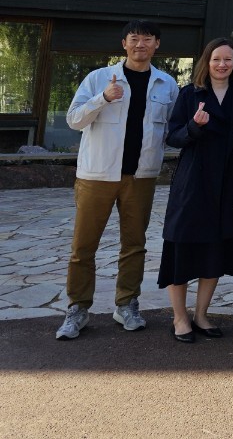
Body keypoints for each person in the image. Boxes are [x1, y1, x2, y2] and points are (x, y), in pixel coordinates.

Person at [56, 20, 179, 340]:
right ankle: (78, 309)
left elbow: (172, 129)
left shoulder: (166, 84)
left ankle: (126, 304)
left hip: (141, 176)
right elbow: (74, 119)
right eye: (134, 39)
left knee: (134, 245)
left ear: (157, 45)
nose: (141, 44)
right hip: (96, 175)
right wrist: (103, 99)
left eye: (147, 39)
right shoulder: (99, 78)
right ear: (124, 43)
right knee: (83, 247)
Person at [158, 38, 233, 343]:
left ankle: (201, 315)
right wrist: (195, 127)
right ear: (206, 62)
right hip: (193, 182)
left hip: (228, 182)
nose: (222, 65)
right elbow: (173, 136)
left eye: (228, 59)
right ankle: (180, 317)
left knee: (216, 249)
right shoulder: (190, 94)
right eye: (216, 59)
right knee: (181, 246)